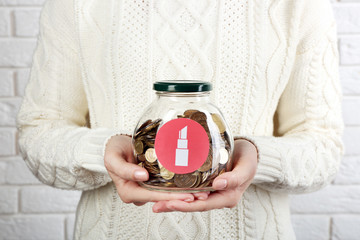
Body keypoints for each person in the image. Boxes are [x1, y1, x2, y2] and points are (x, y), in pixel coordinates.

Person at [17, 0, 343, 239]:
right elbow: (39, 131)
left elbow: (323, 149)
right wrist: (101, 153)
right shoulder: (76, 5)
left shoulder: (298, 5)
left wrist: (258, 158)